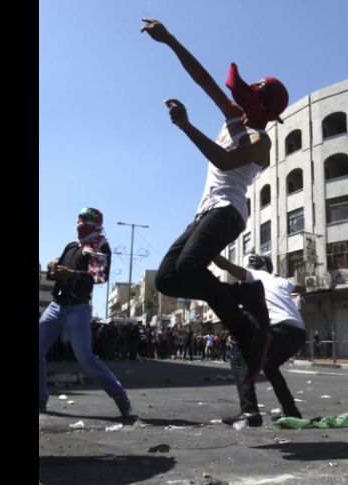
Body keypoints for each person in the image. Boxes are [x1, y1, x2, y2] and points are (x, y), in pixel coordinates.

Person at [142, 19, 289, 385]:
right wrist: (170, 40)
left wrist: (186, 126)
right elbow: (203, 78)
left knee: (191, 268)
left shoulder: (259, 141)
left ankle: (247, 333)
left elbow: (225, 162)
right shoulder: (233, 116)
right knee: (167, 280)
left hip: (228, 212)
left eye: (254, 92)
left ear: (262, 107)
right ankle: (244, 294)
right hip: (204, 212)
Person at [39, 208, 132, 417]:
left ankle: (119, 395)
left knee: (85, 358)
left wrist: (71, 274)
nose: (81, 226)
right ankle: (40, 400)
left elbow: (99, 277)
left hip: (77, 308)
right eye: (80, 222)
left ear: (97, 225)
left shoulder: (99, 245)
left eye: (87, 223)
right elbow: (57, 270)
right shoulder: (72, 246)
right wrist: (53, 266)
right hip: (56, 305)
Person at [213, 254, 307, 426]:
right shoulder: (280, 281)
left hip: (276, 329)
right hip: (298, 332)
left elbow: (227, 266)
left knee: (238, 361)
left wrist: (207, 249)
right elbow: (302, 287)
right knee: (270, 366)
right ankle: (291, 411)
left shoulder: (253, 276)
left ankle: (250, 411)